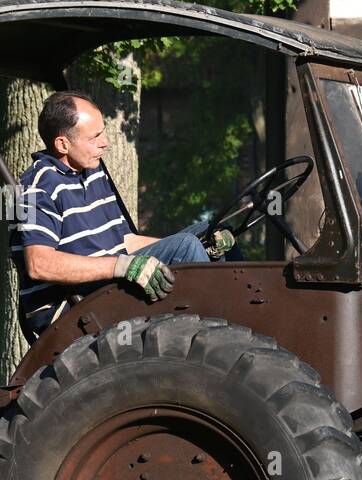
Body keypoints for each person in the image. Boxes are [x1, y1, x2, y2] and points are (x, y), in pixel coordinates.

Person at [12, 90, 229, 338]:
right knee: (186, 246)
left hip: (104, 284)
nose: (106, 142)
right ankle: (219, 337)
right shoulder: (36, 186)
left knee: (209, 232)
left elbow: (124, 241)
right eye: (95, 137)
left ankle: (232, 322)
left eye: (102, 132)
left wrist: (202, 247)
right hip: (70, 307)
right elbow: (39, 264)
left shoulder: (91, 171)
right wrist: (123, 265)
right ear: (63, 144)